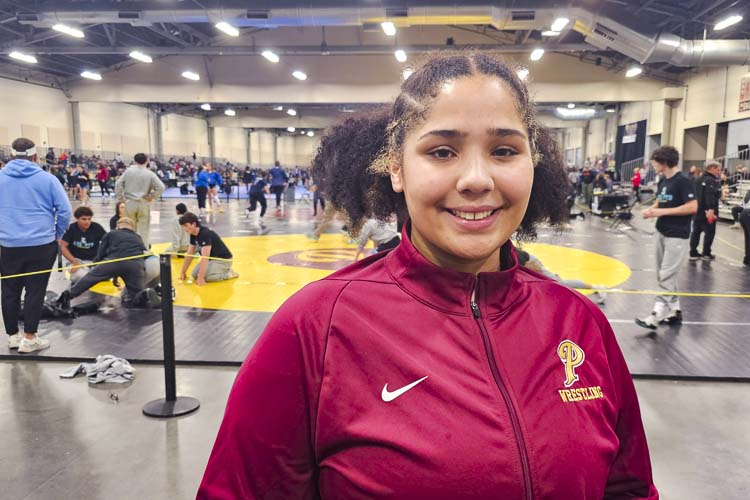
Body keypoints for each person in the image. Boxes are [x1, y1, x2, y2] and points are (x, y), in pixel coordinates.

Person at [198, 52, 657, 499]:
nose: (476, 179)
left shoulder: (578, 322)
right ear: (396, 167)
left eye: (503, 150)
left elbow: (630, 489)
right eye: (442, 151)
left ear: (531, 162)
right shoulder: (315, 327)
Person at [0, 138, 71, 353]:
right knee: (35, 290)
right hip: (41, 244)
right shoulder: (48, 179)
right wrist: (56, 234)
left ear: (11, 156)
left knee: (9, 290)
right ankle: (30, 338)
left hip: (7, 245)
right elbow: (65, 211)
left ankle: (13, 336)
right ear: (34, 157)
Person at [636, 146, 697, 330]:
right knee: (663, 274)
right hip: (662, 231)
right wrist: (651, 210)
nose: (653, 164)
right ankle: (675, 310)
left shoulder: (683, 181)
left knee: (666, 274)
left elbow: (693, 206)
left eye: (655, 161)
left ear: (664, 162)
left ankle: (656, 313)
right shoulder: (663, 180)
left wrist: (660, 211)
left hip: (677, 235)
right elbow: (661, 200)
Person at [57, 217, 147, 309]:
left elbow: (101, 253)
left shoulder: (112, 233)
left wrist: (95, 267)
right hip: (135, 264)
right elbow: (142, 253)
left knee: (89, 278)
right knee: (137, 293)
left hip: (113, 262)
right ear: (132, 227)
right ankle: (143, 299)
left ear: (118, 226)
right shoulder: (138, 237)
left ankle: (67, 296)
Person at [517, 250, 607, 304]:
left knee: (557, 283)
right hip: (524, 263)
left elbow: (523, 260)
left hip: (528, 262)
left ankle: (597, 287)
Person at [115, 153, 165, 249]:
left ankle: (130, 250)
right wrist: (152, 197)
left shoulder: (128, 171)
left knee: (128, 228)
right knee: (144, 230)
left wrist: (121, 199)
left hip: (130, 203)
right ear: (147, 161)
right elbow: (161, 187)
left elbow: (118, 184)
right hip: (143, 203)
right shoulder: (150, 174)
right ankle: (143, 251)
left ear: (135, 161)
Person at [178, 212, 238, 284]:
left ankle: (228, 273)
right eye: (183, 226)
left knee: (208, 277)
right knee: (194, 274)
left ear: (193, 224)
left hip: (223, 260)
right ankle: (217, 270)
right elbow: (189, 254)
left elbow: (205, 258)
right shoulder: (193, 234)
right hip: (211, 259)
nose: (184, 228)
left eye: (186, 225)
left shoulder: (205, 234)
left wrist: (201, 278)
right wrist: (183, 272)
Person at [60, 206, 107, 284]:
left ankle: (92, 275)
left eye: (89, 219)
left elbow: (108, 242)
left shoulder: (97, 227)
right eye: (84, 219)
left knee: (108, 273)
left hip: (94, 261)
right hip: (77, 261)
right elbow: (62, 246)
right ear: (77, 219)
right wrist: (74, 261)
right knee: (78, 276)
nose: (87, 222)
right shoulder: (71, 228)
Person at [689, 160, 722, 261]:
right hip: (707, 212)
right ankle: (706, 253)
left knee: (696, 231)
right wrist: (711, 209)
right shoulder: (711, 180)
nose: (719, 172)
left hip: (697, 210)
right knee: (710, 232)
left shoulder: (697, 179)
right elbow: (709, 196)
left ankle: (693, 252)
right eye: (717, 169)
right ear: (711, 168)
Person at [739, 191, 750, 266]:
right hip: (748, 214)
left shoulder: (748, 192)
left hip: (744, 214)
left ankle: (747, 259)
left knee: (748, 238)